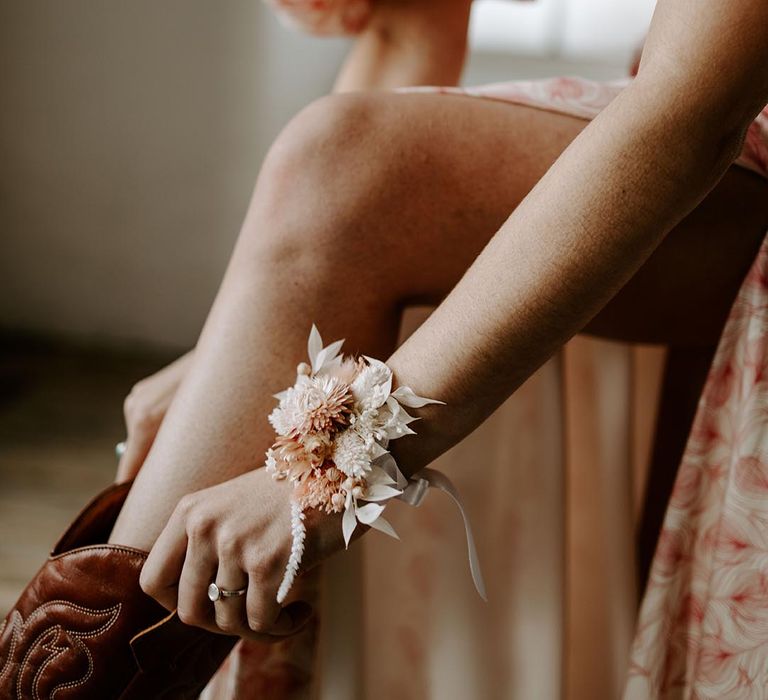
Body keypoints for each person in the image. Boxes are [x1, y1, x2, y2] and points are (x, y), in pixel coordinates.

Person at [2, 0, 768, 698]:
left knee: (343, 156)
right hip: (688, 106)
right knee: (338, 159)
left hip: (715, 117)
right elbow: (411, 24)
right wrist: (229, 354)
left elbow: (694, 108)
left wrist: (339, 459)